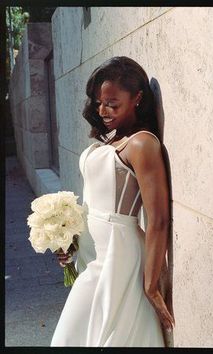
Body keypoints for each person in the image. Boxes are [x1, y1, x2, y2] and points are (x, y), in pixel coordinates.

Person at [51, 56, 175, 347]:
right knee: (71, 338)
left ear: (138, 98)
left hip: (120, 257)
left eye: (112, 103)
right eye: (98, 103)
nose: (103, 110)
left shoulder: (142, 143)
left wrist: (151, 284)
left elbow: (157, 219)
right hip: (94, 256)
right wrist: (70, 242)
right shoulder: (113, 139)